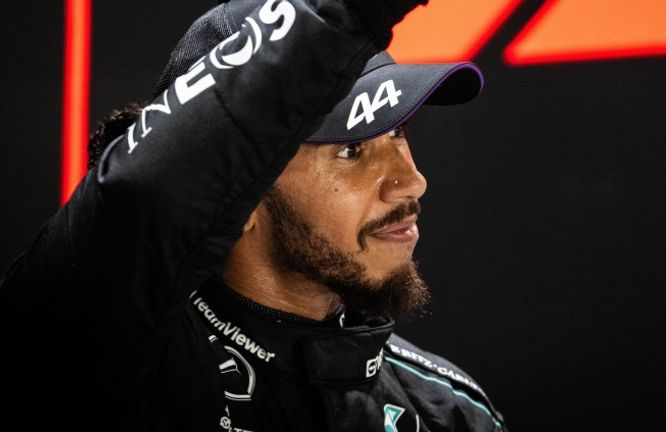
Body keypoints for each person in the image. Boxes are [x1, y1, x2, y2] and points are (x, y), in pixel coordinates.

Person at [0, 0, 505, 430]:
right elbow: (141, 197)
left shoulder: (450, 412)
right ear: (240, 197)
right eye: (351, 149)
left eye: (397, 132)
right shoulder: (105, 356)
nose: (411, 182)